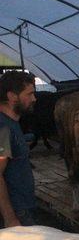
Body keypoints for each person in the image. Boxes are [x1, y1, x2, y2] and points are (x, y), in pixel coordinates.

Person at [0, 71, 36, 227]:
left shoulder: (11, 124)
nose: (34, 99)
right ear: (12, 96)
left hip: (23, 207)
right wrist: (10, 218)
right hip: (17, 212)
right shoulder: (3, 128)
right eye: (30, 94)